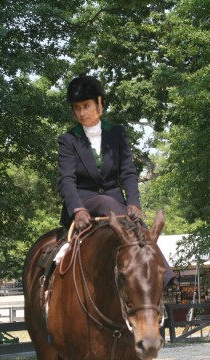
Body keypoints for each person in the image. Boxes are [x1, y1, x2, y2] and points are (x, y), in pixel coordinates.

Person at [57, 75, 176, 287]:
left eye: (86, 106)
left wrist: (134, 203)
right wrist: (77, 209)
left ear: (100, 103)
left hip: (115, 202)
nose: (82, 113)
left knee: (129, 215)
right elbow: (66, 179)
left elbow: (128, 172)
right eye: (76, 108)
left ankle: (162, 276)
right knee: (108, 203)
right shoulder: (68, 140)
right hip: (84, 201)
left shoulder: (118, 133)